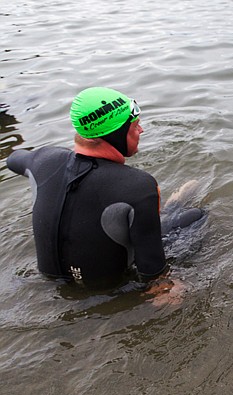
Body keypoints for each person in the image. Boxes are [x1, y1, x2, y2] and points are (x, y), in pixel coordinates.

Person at [6, 86, 204, 293]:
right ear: (116, 134)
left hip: (49, 280)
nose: (141, 130)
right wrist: (168, 286)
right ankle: (172, 207)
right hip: (110, 288)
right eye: (134, 125)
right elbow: (152, 272)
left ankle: (169, 208)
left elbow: (13, 159)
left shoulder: (43, 160)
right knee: (195, 216)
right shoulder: (139, 186)